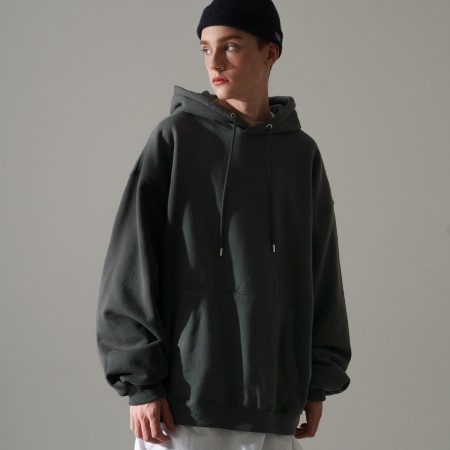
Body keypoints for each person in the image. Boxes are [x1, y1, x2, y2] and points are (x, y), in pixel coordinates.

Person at [96, 1, 352, 449]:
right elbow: (130, 263)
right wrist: (141, 383)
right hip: (181, 408)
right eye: (205, 48)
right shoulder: (175, 138)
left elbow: (321, 272)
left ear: (270, 52)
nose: (213, 62)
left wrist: (318, 381)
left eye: (230, 46)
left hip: (273, 402)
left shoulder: (301, 155)